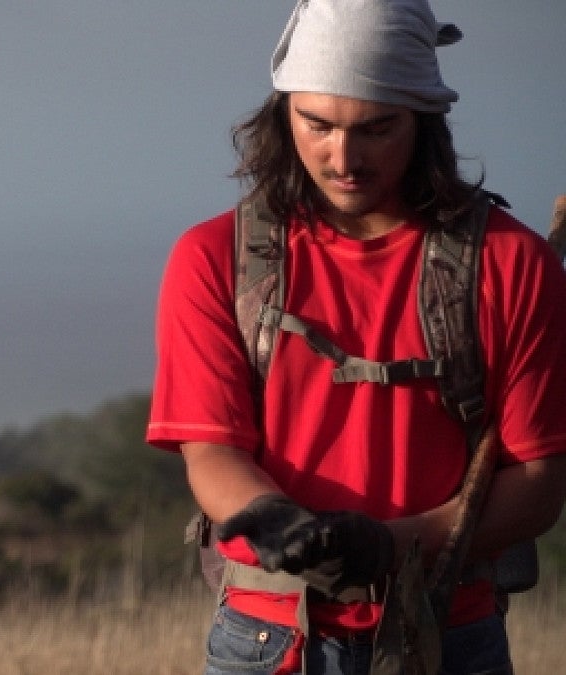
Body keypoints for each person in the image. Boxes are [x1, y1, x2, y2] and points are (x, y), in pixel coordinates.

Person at [146, 1, 566, 673]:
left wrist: (392, 545)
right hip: (269, 640)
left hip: (448, 632)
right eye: (316, 124)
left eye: (376, 128)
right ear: (282, 114)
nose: (343, 157)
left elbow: (539, 481)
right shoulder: (213, 259)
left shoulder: (511, 264)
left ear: (424, 119)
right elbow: (211, 453)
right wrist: (278, 520)